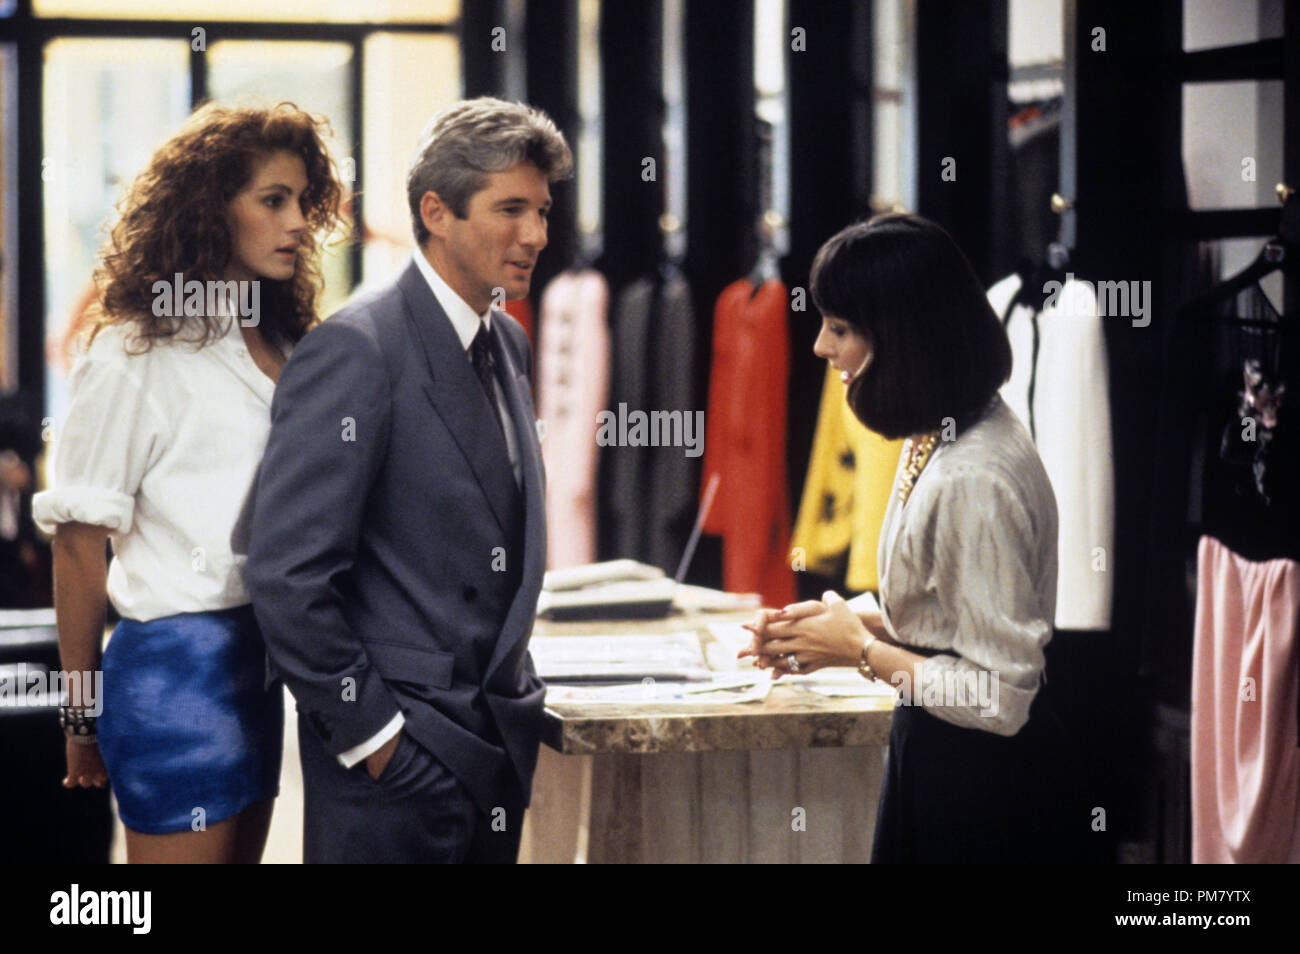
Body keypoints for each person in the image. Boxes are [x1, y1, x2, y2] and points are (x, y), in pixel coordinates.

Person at [244, 97, 572, 864]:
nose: (536, 235)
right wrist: (380, 741)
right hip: (399, 767)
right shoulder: (356, 350)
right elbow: (288, 576)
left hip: (494, 751)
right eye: (511, 208)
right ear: (437, 211)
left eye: (544, 210)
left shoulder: (510, 342)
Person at [32, 101, 344, 863]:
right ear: (209, 207)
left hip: (264, 670)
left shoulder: (282, 340)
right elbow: (78, 548)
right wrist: (80, 719)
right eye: (272, 200)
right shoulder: (136, 351)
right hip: (175, 678)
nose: (298, 222)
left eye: (304, 201)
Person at [745, 213, 1085, 863]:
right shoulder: (941, 429)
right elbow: (949, 620)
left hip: (986, 791)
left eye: (840, 329)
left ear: (902, 339)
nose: (820, 346)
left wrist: (861, 652)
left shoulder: (974, 475)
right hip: (941, 761)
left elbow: (999, 696)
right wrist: (836, 627)